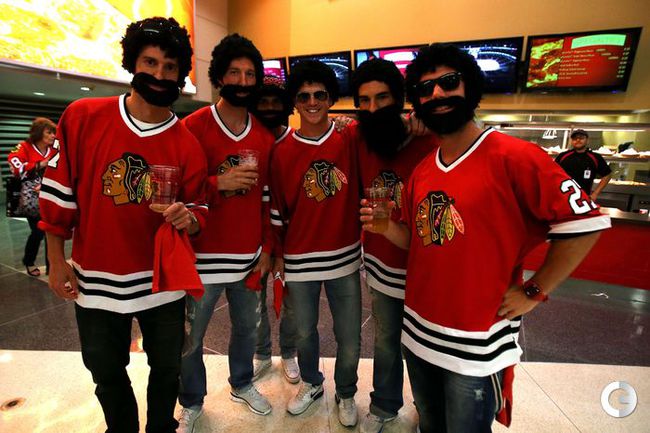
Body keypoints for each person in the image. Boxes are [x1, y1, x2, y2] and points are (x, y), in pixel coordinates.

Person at [360, 43, 611, 433]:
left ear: (471, 88)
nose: (437, 94)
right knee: (430, 425)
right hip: (419, 333)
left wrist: (535, 290)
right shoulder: (424, 169)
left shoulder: (515, 156)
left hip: (477, 344)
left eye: (448, 82)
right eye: (425, 89)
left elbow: (585, 225)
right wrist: (387, 228)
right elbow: (418, 241)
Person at [38, 17, 207, 433]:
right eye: (150, 62)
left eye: (170, 67)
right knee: (105, 371)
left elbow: (200, 211)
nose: (159, 74)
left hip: (162, 281)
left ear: (181, 75)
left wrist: (188, 218)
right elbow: (58, 197)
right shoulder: (82, 117)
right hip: (96, 279)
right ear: (132, 63)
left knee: (167, 369)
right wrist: (56, 260)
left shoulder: (187, 142)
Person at [177, 34, 275, 431]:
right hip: (200, 258)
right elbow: (176, 191)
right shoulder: (192, 128)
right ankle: (191, 400)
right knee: (191, 338)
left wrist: (267, 247)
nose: (243, 80)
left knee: (247, 330)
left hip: (248, 257)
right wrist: (219, 183)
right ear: (218, 77)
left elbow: (267, 200)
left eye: (250, 74)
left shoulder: (264, 136)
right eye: (234, 72)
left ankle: (243, 382)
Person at [270, 60, 362, 427]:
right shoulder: (282, 151)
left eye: (320, 95)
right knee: (305, 333)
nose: (312, 102)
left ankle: (347, 391)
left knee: (349, 336)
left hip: (345, 257)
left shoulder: (349, 139)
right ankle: (312, 383)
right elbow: (276, 208)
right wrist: (277, 255)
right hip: (300, 258)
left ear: (331, 99)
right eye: (304, 96)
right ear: (294, 101)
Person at [350, 59, 436, 433]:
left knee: (425, 346)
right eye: (364, 101)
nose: (373, 108)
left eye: (382, 98)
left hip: (427, 268)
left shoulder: (431, 139)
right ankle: (384, 406)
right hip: (382, 265)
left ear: (400, 99)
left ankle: (428, 408)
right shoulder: (359, 138)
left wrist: (427, 121)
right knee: (386, 341)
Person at [248, 75, 300, 384]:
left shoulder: (295, 141)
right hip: (253, 235)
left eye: (275, 102)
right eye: (263, 102)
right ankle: (262, 353)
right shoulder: (248, 140)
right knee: (254, 301)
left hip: (290, 237)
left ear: (286, 106)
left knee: (291, 302)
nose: (269, 107)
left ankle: (289, 352)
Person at [7, 117, 57, 276]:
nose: (53, 136)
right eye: (49, 132)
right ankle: (29, 261)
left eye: (54, 133)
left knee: (51, 232)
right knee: (38, 232)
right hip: (30, 198)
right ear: (39, 132)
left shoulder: (54, 149)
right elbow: (15, 167)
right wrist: (40, 164)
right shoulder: (23, 147)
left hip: (50, 194)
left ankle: (52, 266)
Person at [555, 129, 612, 201]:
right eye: (575, 138)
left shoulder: (595, 157)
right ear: (571, 141)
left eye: (581, 138)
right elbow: (553, 174)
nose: (578, 140)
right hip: (562, 197)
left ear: (587, 140)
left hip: (584, 199)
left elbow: (607, 175)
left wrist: (595, 194)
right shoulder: (563, 156)